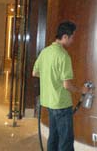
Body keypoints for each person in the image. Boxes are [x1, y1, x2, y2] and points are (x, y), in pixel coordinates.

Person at [32, 21, 89, 151]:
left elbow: (35, 72)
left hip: (49, 102)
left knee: (53, 137)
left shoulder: (45, 52)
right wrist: (81, 90)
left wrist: (50, 78)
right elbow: (67, 85)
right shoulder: (63, 56)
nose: (72, 40)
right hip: (61, 104)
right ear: (65, 37)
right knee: (66, 141)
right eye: (72, 37)